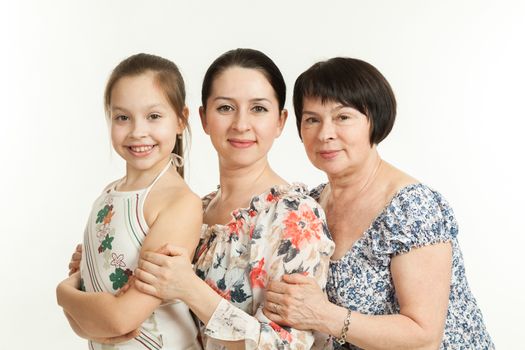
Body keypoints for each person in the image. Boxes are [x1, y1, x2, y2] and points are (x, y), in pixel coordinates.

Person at [261, 57, 494, 349]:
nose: (325, 134)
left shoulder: (411, 207)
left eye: (343, 117)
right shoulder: (310, 206)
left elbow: (423, 337)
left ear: (376, 119)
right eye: (312, 119)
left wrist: (323, 315)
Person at [131, 48, 335, 349]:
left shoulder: (293, 215)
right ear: (203, 118)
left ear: (280, 121)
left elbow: (285, 345)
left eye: (259, 109)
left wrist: (191, 290)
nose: (241, 124)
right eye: (225, 108)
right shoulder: (193, 210)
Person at [56, 53, 202, 349]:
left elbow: (122, 319)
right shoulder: (109, 194)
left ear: (180, 119)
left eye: (154, 116)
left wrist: (62, 293)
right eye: (123, 117)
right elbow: (84, 321)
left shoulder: (179, 203)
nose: (137, 131)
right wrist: (80, 305)